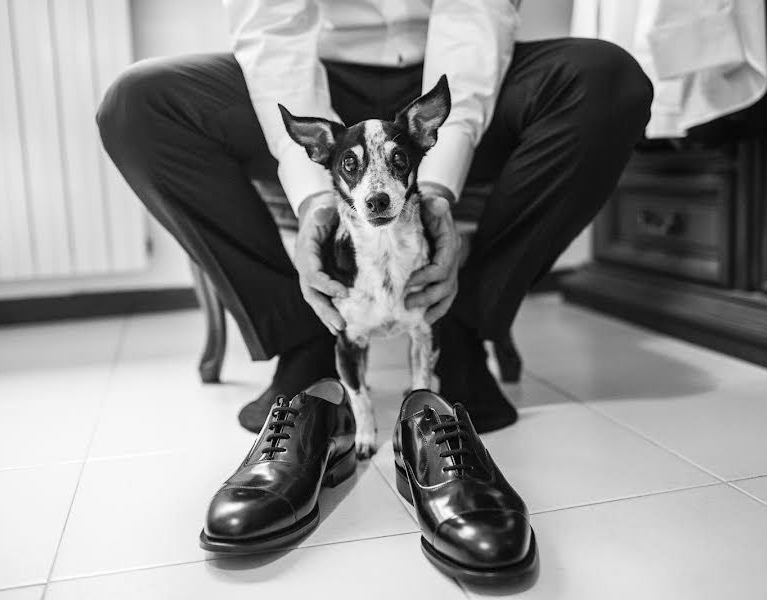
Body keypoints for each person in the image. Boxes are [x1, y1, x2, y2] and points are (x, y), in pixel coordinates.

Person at [96, 0, 653, 435]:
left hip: (459, 73)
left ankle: (455, 327)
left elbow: (475, 18)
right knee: (138, 102)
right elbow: (274, 29)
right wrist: (316, 195)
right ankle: (308, 337)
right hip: (315, 70)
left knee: (608, 80)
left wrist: (436, 184)